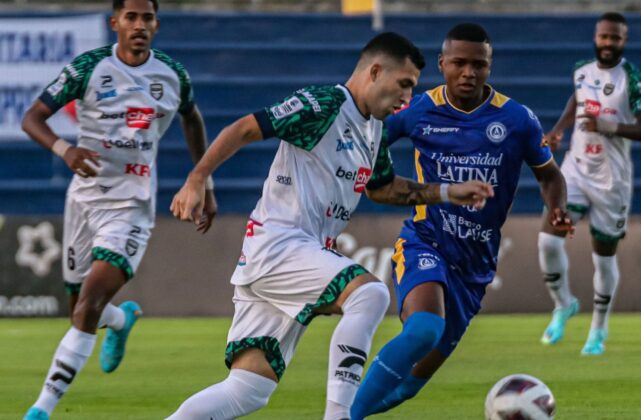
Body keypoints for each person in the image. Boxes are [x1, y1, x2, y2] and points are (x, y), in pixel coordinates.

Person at [165, 32, 493, 420]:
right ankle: (339, 415)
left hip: (294, 254)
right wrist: (197, 179)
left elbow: (383, 188)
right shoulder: (323, 105)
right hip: (280, 244)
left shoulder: (373, 129)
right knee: (370, 295)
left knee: (248, 389)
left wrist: (447, 192)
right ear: (375, 72)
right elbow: (243, 129)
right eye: (404, 84)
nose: (407, 98)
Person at [350, 23, 572, 419]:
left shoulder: (518, 119)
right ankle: (342, 413)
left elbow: (550, 176)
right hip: (426, 241)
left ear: (489, 67)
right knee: (423, 329)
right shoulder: (418, 110)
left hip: (474, 266)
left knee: (406, 388)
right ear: (442, 64)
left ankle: (351, 411)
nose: (469, 72)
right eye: (459, 63)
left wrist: (556, 209)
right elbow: (369, 136)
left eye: (478, 65)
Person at [21, 1, 217, 418]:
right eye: (131, 17)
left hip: (132, 204)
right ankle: (122, 321)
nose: (139, 25)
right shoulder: (89, 68)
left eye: (147, 18)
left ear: (157, 24)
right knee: (79, 306)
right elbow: (33, 117)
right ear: (115, 23)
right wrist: (65, 150)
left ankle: (41, 408)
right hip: (84, 200)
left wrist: (204, 182)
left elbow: (192, 119)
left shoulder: (172, 75)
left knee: (88, 304)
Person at [538, 12, 641, 355]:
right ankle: (563, 304)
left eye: (615, 38)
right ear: (596, 37)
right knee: (548, 242)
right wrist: (559, 129)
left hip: (612, 181)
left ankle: (598, 328)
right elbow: (578, 99)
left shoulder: (633, 80)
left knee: (604, 260)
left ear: (624, 41)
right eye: (604, 36)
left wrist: (607, 127)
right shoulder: (582, 70)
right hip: (576, 170)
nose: (608, 43)